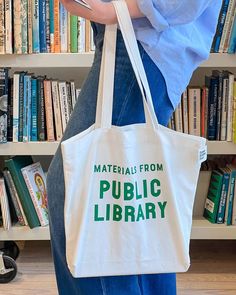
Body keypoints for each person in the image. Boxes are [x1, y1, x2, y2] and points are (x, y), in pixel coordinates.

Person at [46, 1, 222, 294]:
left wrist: (119, 8)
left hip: (145, 42)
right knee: (137, 205)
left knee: (76, 193)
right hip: (136, 39)